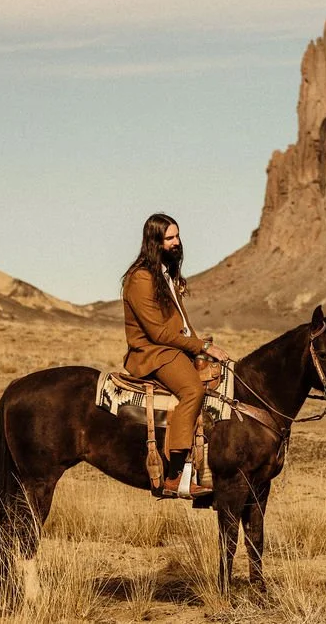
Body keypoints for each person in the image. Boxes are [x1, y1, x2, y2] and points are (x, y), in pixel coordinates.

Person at [122, 213, 230, 497]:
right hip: (153, 353)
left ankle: (207, 467)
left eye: (177, 236)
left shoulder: (166, 275)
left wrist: (201, 346)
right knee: (193, 389)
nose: (176, 243)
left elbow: (180, 323)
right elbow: (157, 333)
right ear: (154, 241)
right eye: (169, 238)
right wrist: (201, 348)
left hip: (173, 348)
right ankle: (174, 476)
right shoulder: (140, 278)